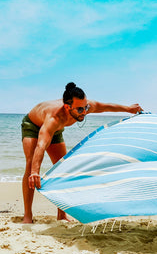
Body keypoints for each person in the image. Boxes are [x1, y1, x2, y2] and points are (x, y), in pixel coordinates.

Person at [21, 82, 143, 223]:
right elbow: (41, 146)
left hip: (54, 130)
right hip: (33, 125)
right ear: (67, 107)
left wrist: (128, 109)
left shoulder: (84, 107)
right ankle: (27, 216)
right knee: (30, 167)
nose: (84, 112)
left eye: (85, 107)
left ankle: (62, 215)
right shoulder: (54, 118)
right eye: (80, 109)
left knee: (62, 168)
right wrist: (35, 172)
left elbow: (105, 107)